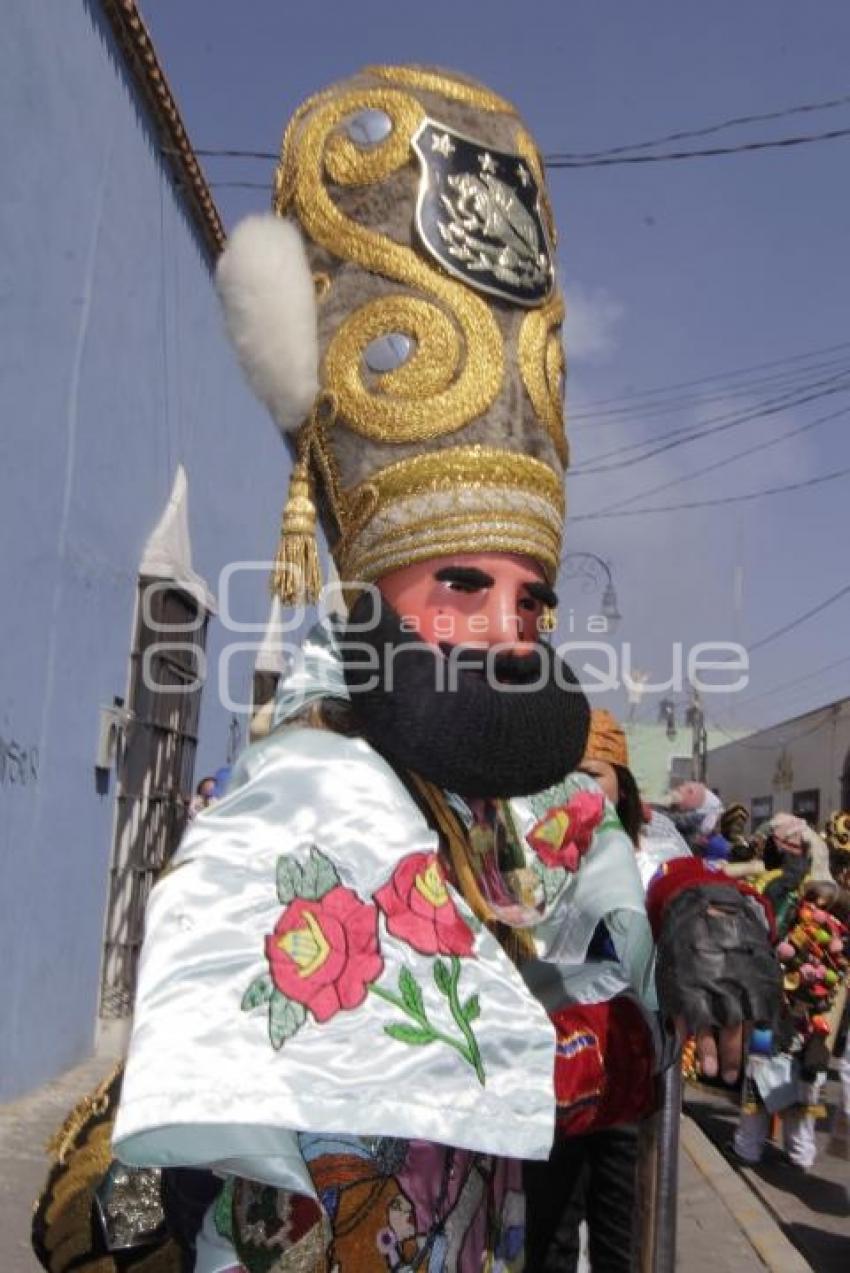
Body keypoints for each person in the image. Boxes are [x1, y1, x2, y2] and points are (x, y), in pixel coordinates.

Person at [34, 66, 780, 1273]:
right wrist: (601, 1050)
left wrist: (679, 896)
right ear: (368, 599)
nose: (508, 631)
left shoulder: (473, 774)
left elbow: (580, 841)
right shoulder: (305, 787)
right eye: (462, 588)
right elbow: (394, 1042)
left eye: (529, 596)